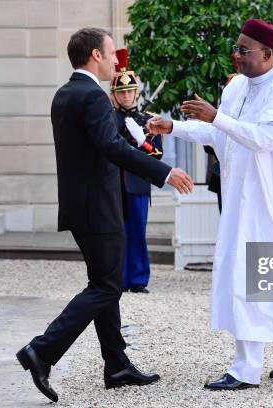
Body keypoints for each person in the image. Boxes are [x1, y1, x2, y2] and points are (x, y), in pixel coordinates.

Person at [147, 19, 273, 390]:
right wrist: (174, 128)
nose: (236, 56)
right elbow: (220, 133)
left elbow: (263, 139)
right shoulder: (238, 88)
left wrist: (216, 116)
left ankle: (248, 369)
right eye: (236, 49)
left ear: (267, 54)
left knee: (261, 276)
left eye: (243, 51)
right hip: (242, 198)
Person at [15, 28, 193, 402]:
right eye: (112, 54)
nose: (116, 60)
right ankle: (42, 351)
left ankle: (116, 364)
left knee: (104, 280)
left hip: (81, 206)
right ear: (95, 55)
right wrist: (163, 171)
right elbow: (111, 147)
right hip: (98, 207)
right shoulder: (93, 97)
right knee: (106, 286)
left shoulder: (64, 94)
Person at [111, 48, 163, 294]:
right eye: (122, 92)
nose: (127, 96)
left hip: (137, 182)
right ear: (115, 95)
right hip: (114, 183)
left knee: (138, 231)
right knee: (117, 232)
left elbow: (157, 154)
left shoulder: (148, 119)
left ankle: (138, 278)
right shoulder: (108, 118)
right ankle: (118, 279)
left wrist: (142, 140)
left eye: (130, 91)